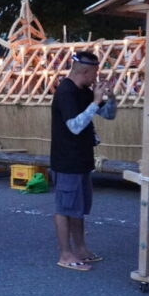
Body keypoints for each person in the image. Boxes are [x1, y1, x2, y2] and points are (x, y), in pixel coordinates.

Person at [49, 51, 116, 272]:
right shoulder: (65, 91)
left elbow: (108, 115)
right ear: (85, 71)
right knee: (64, 208)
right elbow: (75, 126)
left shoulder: (84, 91)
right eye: (95, 73)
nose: (96, 77)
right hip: (66, 160)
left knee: (78, 209)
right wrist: (95, 101)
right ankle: (65, 254)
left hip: (82, 159)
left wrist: (110, 97)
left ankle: (80, 248)